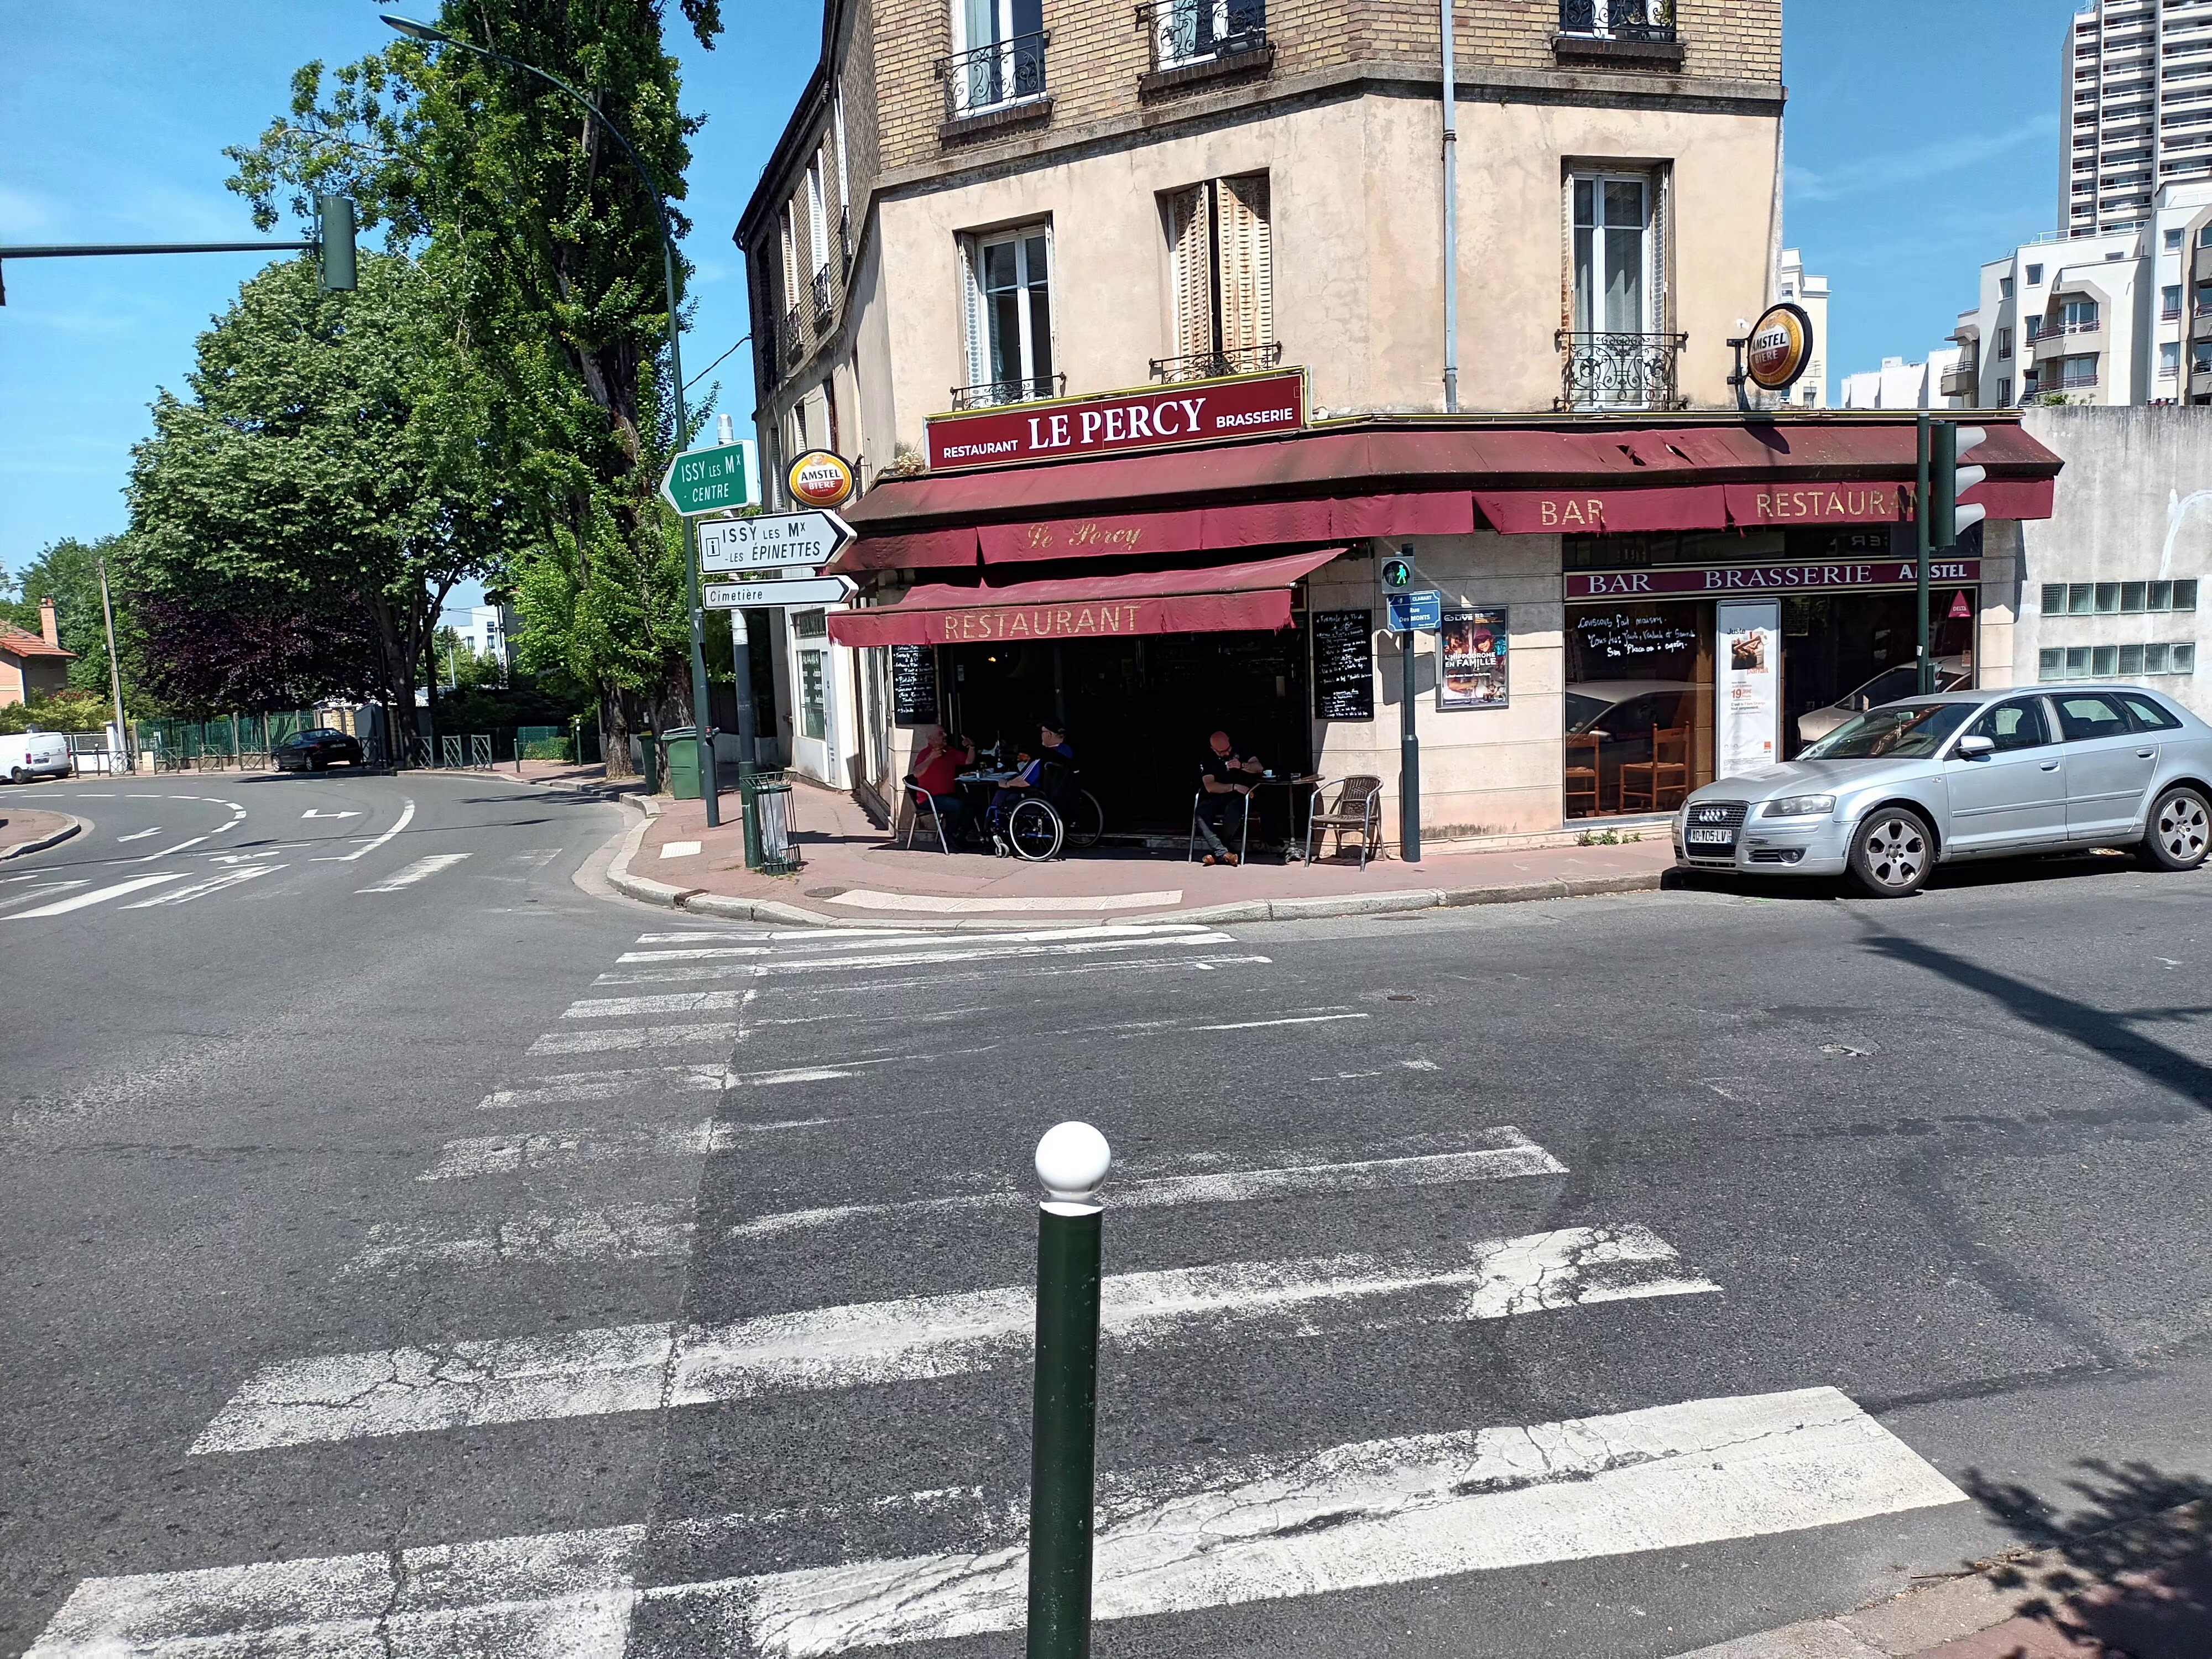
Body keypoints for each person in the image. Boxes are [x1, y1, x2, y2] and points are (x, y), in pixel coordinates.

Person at [988, 723, 1073, 848]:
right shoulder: (1066, 751)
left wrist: (1006, 783)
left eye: (1042, 732)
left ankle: (992, 836)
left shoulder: (1044, 755)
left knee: (1000, 794)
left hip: (1038, 796)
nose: (1041, 736)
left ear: (1049, 735)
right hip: (1061, 795)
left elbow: (1024, 781)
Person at [1194, 729, 1262, 866]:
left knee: (1233, 810)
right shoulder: (1208, 759)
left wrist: (1243, 765)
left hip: (1243, 797)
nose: (1226, 754)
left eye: (1228, 750)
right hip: (1221, 795)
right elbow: (1210, 786)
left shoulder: (1241, 749)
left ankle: (1219, 852)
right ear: (1213, 749)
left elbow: (1259, 768)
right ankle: (1223, 853)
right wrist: (1235, 787)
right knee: (1201, 811)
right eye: (1221, 752)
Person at [906, 727, 974, 848]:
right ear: (931, 739)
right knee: (956, 805)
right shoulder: (925, 753)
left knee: (973, 803)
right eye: (941, 734)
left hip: (948, 794)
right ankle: (950, 835)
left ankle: (960, 836)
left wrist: (972, 747)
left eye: (944, 732)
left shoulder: (949, 751)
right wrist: (931, 758)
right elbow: (916, 773)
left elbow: (968, 761)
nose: (945, 735)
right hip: (929, 799)